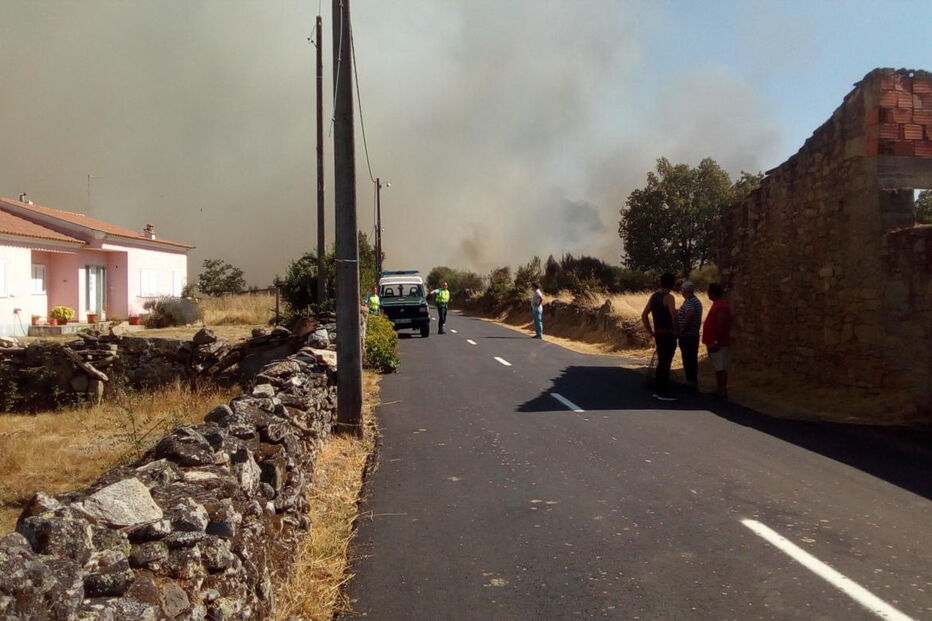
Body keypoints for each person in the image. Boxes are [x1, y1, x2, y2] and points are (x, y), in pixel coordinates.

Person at [641, 273, 678, 401]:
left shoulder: (654, 297)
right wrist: (677, 331)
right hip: (668, 333)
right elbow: (674, 317)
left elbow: (644, 315)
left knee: (661, 361)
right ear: (672, 284)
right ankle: (664, 392)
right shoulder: (669, 297)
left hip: (658, 333)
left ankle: (658, 389)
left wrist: (650, 331)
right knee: (666, 362)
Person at [702, 282, 732, 399]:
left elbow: (721, 325)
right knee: (718, 367)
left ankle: (722, 390)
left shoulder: (721, 306)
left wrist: (715, 341)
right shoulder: (718, 304)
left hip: (719, 343)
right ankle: (719, 389)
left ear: (712, 293)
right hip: (715, 342)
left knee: (721, 367)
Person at [676, 281, 703, 391]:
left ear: (685, 291)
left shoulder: (691, 302)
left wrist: (682, 330)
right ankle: (691, 380)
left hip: (688, 335)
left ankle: (690, 382)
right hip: (692, 335)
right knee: (690, 358)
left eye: (682, 290)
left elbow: (690, 314)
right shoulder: (693, 301)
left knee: (688, 358)